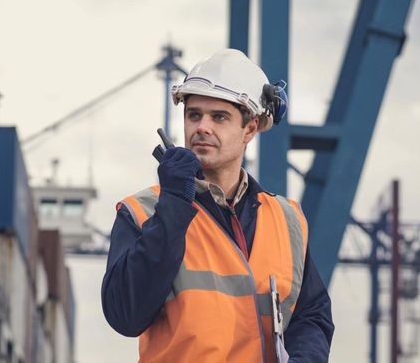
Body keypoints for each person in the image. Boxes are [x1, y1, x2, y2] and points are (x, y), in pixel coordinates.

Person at [101, 49, 334, 362]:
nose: (202, 128)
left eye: (219, 117)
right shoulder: (143, 212)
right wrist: (174, 204)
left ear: (250, 128)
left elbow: (311, 316)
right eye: (194, 115)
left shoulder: (286, 220)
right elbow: (125, 315)